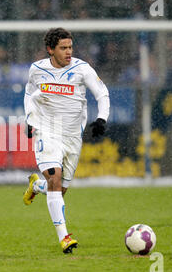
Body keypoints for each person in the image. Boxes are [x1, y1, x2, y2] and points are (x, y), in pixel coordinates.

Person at [22, 27, 110, 254]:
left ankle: (36, 185)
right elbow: (29, 95)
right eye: (63, 48)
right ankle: (65, 238)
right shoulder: (37, 70)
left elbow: (102, 93)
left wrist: (102, 119)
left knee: (58, 189)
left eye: (70, 47)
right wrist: (30, 119)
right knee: (56, 177)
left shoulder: (82, 69)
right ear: (51, 50)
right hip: (47, 130)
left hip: (72, 136)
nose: (68, 52)